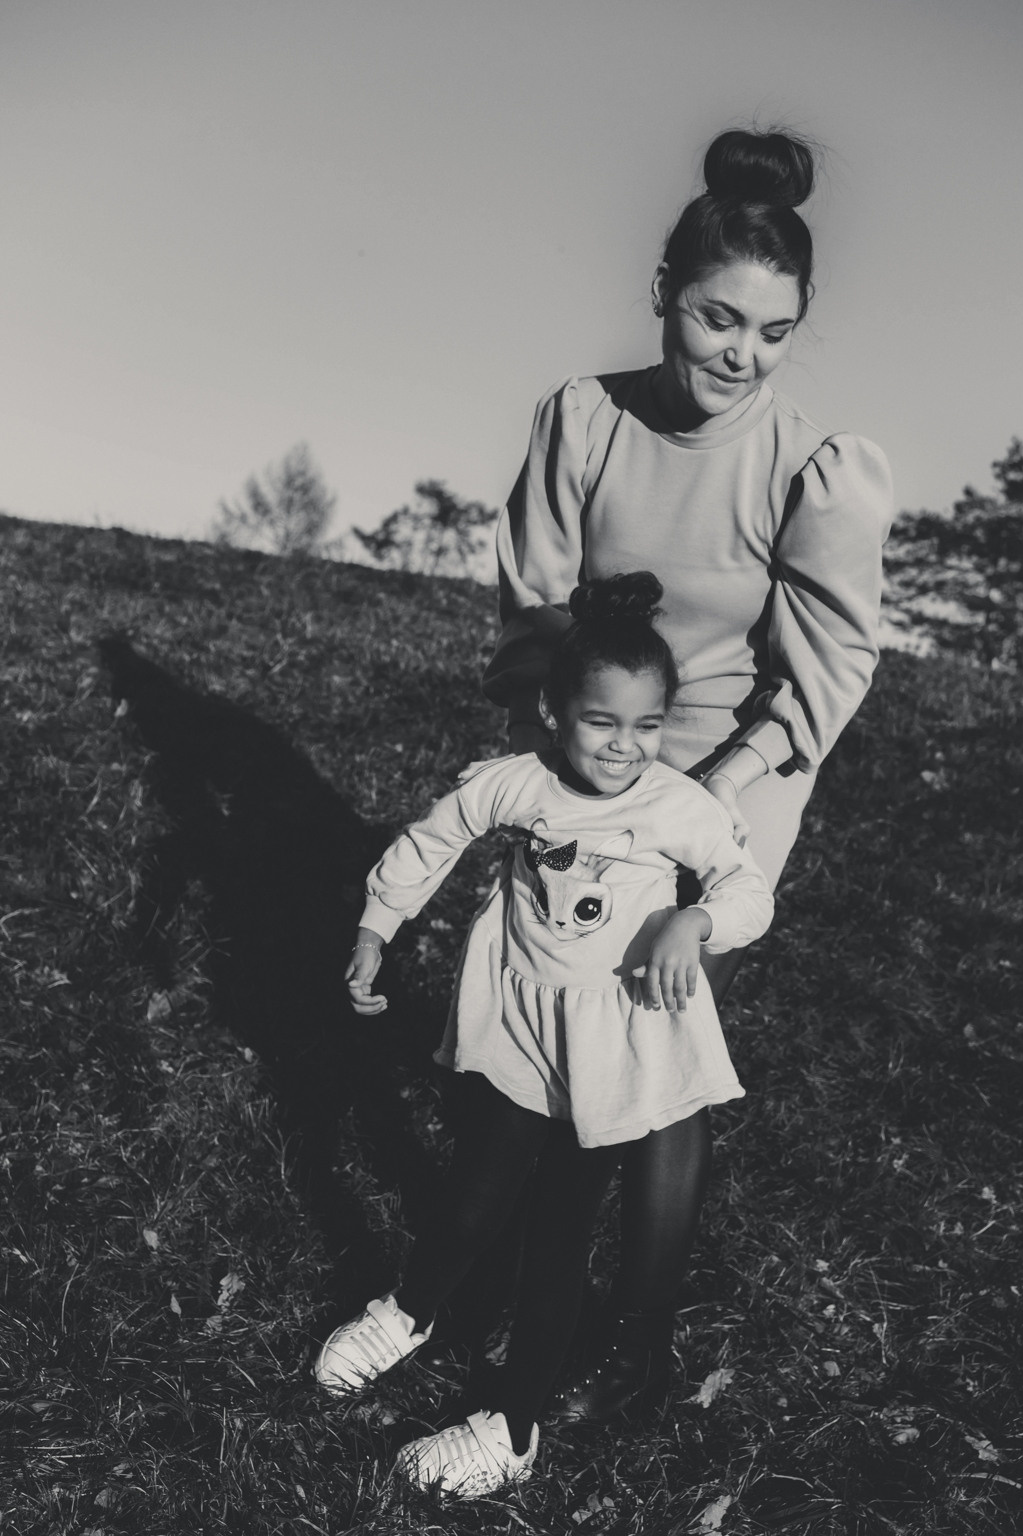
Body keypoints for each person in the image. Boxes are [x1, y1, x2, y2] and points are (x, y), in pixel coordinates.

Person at [481, 126, 894, 1422]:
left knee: (648, 1022)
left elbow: (825, 676)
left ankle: (636, 1348)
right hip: (601, 752)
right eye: (719, 317)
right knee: (562, 1027)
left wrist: (689, 805)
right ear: (666, 287)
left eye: (773, 333)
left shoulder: (815, 471)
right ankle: (532, 1294)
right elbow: (531, 613)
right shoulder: (583, 419)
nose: (739, 354)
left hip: (736, 771)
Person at [315, 572, 774, 1498]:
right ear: (553, 711)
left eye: (648, 727)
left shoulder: (676, 805)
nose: (626, 746)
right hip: (522, 1032)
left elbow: (747, 888)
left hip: (612, 1053)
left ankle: (514, 1427)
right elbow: (428, 841)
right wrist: (376, 929)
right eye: (603, 722)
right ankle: (408, 1312)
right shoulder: (516, 785)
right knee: (474, 1193)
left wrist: (696, 923)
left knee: (559, 1234)